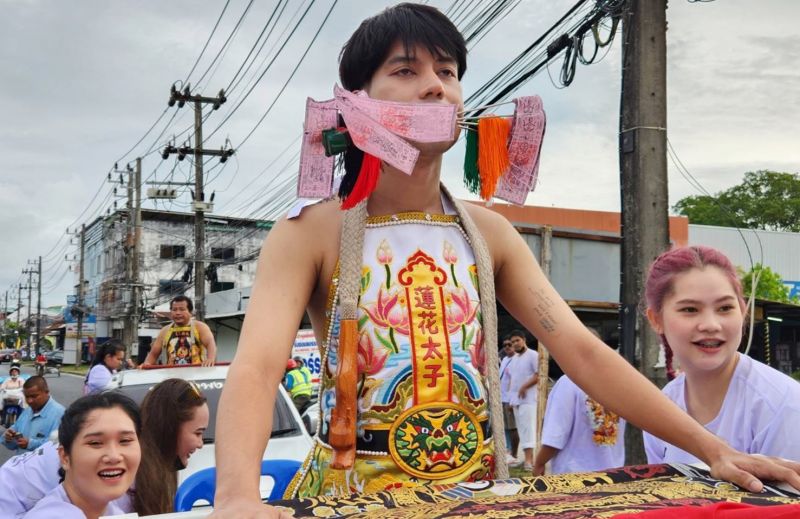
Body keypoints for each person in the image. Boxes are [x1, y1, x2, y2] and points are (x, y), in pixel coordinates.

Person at [210, 4, 800, 517]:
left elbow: (582, 352)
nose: (436, 86)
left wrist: (714, 451)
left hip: (479, 494)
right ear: (356, 103)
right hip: (351, 497)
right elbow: (258, 368)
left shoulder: (490, 231)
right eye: (406, 71)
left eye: (447, 73)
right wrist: (236, 497)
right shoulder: (309, 232)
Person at [642, 245, 800, 464]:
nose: (710, 325)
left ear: (743, 311)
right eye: (690, 309)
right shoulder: (663, 407)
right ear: (656, 320)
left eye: (725, 308)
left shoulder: (781, 405)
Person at [23, 392, 141, 519]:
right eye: (95, 443)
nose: (114, 456)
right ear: (65, 457)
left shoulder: (112, 511)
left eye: (125, 441)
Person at [533, 329, 626, 475]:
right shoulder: (617, 383)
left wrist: (539, 462)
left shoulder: (568, 383)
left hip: (576, 478)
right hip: (613, 474)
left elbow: (555, 438)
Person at [134, 378, 209, 515]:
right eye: (198, 433)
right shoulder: (130, 484)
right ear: (170, 427)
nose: (200, 444)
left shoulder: (157, 474)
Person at [142, 295, 217, 367]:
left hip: (196, 374)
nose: (178, 313)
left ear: (190, 312)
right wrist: (147, 364)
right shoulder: (165, 330)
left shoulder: (200, 327)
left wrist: (210, 359)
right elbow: (153, 354)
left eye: (182, 309)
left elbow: (210, 344)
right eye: (174, 310)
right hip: (172, 375)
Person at [3, 375, 64, 452]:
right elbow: (13, 443)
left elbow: (58, 446)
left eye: (34, 396)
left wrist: (31, 444)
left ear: (46, 392)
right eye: (26, 397)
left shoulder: (59, 414)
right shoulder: (27, 411)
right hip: (21, 462)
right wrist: (8, 438)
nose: (29, 401)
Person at [506, 330, 539, 471]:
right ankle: (526, 459)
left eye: (517, 340)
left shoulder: (533, 355)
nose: (515, 344)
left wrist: (525, 386)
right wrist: (510, 399)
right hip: (516, 401)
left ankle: (529, 461)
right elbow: (512, 381)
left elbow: (539, 375)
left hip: (529, 399)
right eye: (512, 342)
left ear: (524, 340)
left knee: (528, 429)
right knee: (521, 430)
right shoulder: (514, 359)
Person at [499, 337, 520, 465]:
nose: (507, 347)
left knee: (513, 427)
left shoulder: (517, 360)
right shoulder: (505, 359)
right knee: (505, 427)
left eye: (509, 344)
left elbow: (516, 380)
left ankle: (515, 453)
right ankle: (507, 452)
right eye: (505, 345)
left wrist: (513, 399)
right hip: (502, 397)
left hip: (510, 398)